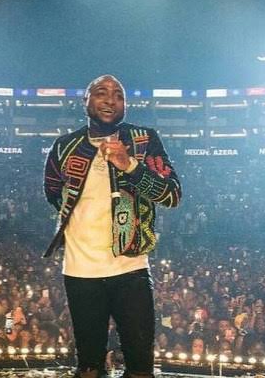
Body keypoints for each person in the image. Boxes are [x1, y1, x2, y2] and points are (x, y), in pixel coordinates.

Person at [44, 74, 181, 378]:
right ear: (86, 101)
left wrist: (130, 165)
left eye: (118, 95)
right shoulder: (64, 146)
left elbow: (172, 195)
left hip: (130, 267)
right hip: (81, 271)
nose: (110, 100)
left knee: (141, 367)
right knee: (89, 367)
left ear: (125, 105)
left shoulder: (144, 140)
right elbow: (53, 192)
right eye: (101, 93)